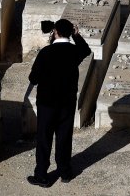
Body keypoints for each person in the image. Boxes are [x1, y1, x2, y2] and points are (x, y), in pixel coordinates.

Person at [26, 18, 91, 188]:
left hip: (47, 104)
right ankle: (65, 172)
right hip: (67, 104)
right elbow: (86, 50)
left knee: (44, 139)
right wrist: (77, 36)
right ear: (70, 33)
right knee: (64, 138)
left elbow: (33, 78)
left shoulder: (46, 52)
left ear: (55, 32)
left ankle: (41, 175)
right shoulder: (74, 52)